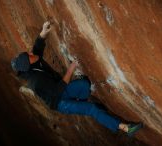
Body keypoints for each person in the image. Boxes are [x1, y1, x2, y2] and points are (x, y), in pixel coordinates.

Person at [11, 21, 143, 137]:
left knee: (85, 84)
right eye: (29, 55)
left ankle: (80, 100)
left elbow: (37, 48)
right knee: (92, 109)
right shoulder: (36, 81)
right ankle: (126, 128)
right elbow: (59, 89)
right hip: (59, 102)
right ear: (28, 64)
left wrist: (43, 32)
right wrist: (71, 68)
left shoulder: (33, 61)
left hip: (60, 89)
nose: (30, 53)